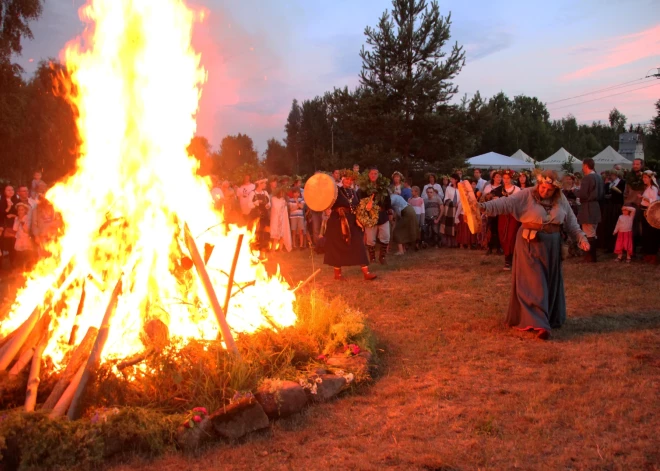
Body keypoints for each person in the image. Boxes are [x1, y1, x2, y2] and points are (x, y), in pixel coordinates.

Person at [479, 170, 590, 340]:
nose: (545, 191)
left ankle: (546, 317)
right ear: (539, 184)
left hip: (552, 245)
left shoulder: (561, 200)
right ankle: (539, 324)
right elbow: (505, 203)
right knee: (535, 283)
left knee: (548, 282)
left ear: (556, 190)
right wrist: (483, 207)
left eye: (549, 189)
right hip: (529, 244)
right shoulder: (526, 194)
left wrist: (581, 238)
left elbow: (571, 223)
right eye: (543, 187)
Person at [324, 170, 376, 281]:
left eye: (350, 179)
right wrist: (326, 209)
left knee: (359, 244)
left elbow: (357, 207)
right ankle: (337, 274)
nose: (348, 181)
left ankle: (366, 273)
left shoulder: (354, 192)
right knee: (337, 247)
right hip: (338, 221)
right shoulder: (336, 191)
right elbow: (326, 201)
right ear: (342, 179)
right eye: (346, 179)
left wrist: (360, 217)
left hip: (352, 221)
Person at [358, 166, 392, 265]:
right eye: (372, 173)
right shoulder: (363, 188)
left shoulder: (383, 187)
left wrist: (389, 211)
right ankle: (372, 258)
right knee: (370, 239)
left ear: (378, 175)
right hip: (370, 216)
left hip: (382, 215)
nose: (373, 175)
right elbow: (360, 202)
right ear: (369, 175)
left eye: (375, 173)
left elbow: (388, 200)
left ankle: (382, 257)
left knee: (386, 236)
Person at [577, 158, 604, 263]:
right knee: (592, 231)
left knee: (588, 232)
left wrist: (574, 191)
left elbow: (583, 194)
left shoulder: (587, 178)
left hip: (588, 207)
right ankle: (592, 256)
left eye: (583, 165)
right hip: (596, 206)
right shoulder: (599, 177)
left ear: (586, 165)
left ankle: (590, 256)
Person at [497, 170, 521, 270]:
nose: (506, 180)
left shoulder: (517, 189)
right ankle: (507, 257)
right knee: (503, 235)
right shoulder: (499, 189)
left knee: (511, 236)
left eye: (508, 178)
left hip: (513, 215)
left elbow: (520, 202)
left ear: (511, 179)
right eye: (504, 178)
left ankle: (509, 260)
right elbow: (489, 197)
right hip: (502, 215)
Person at [30, 182, 62, 258]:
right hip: (42, 236)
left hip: (53, 235)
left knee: (55, 255)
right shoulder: (36, 210)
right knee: (42, 256)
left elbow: (59, 221)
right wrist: (36, 236)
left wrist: (52, 225)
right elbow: (34, 224)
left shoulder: (55, 208)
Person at [639, 170, 659, 264]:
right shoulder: (647, 188)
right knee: (646, 233)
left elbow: (654, 202)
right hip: (644, 212)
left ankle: (652, 255)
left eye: (646, 177)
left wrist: (644, 198)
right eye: (643, 177)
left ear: (650, 178)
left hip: (650, 213)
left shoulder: (653, 188)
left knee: (651, 234)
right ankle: (647, 253)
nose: (644, 179)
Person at [247, 179, 271, 258]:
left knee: (265, 234)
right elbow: (249, 205)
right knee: (257, 234)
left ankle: (263, 253)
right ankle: (254, 253)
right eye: (264, 183)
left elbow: (269, 202)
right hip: (256, 216)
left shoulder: (265, 193)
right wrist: (257, 202)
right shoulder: (252, 193)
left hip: (265, 217)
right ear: (259, 184)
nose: (265, 185)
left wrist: (268, 205)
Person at [482, 171, 503, 255]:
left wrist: (499, 198)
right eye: (497, 177)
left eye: (500, 177)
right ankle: (489, 247)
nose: (499, 178)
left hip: (499, 210)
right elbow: (483, 198)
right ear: (493, 178)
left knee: (498, 229)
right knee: (490, 229)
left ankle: (499, 247)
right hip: (490, 210)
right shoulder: (488, 187)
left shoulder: (502, 188)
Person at [440, 174, 462, 248]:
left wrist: (458, 204)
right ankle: (449, 243)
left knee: (456, 225)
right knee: (449, 225)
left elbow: (462, 198)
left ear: (456, 180)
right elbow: (446, 198)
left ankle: (456, 242)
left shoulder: (460, 188)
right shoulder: (448, 188)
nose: (451, 180)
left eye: (452, 179)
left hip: (458, 208)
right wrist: (451, 203)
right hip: (450, 209)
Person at [269, 185, 292, 252]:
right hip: (276, 219)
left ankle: (280, 248)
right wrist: (282, 206)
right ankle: (273, 249)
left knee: (282, 234)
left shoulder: (283, 200)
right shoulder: (274, 199)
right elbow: (275, 208)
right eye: (281, 192)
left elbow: (285, 210)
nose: (282, 194)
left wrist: (284, 205)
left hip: (283, 219)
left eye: (283, 193)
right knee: (276, 235)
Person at [1, 185, 19, 268]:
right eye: (8, 190)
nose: (11, 191)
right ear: (4, 191)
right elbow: (1, 215)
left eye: (12, 189)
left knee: (13, 246)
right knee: (2, 246)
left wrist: (13, 215)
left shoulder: (16, 200)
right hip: (4, 227)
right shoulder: (2, 201)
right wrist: (8, 207)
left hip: (15, 226)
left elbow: (20, 213)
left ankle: (13, 264)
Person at [13, 202, 35, 270]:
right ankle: (21, 270)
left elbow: (27, 230)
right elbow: (15, 228)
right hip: (19, 239)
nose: (20, 211)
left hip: (26, 239)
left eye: (22, 209)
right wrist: (18, 220)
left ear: (25, 210)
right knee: (19, 256)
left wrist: (22, 222)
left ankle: (28, 270)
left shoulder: (27, 218)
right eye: (19, 210)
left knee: (27, 255)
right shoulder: (16, 218)